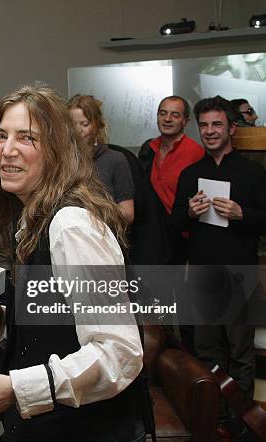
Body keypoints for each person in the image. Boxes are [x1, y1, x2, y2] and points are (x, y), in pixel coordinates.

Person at [0, 84, 143, 441]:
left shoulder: (71, 225)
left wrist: (18, 388)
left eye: (27, 138)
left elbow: (119, 354)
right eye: (1, 136)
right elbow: (58, 323)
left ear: (56, 151)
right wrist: (2, 319)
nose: (7, 150)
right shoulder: (34, 219)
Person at [172, 95, 266, 440]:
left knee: (241, 352)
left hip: (240, 273)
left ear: (232, 128)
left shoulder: (253, 173)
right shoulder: (191, 174)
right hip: (202, 276)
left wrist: (244, 215)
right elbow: (173, 223)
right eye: (205, 125)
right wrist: (190, 213)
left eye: (217, 124)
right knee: (205, 351)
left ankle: (242, 423)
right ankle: (216, 417)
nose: (210, 131)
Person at [137, 95, 204, 264]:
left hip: (181, 237)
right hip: (154, 235)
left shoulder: (195, 153)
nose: (167, 119)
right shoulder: (150, 149)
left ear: (185, 122)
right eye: (162, 113)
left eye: (175, 115)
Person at [68, 94, 135, 224]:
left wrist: (93, 206)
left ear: (97, 125)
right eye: (72, 125)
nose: (78, 130)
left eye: (84, 124)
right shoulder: (63, 160)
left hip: (103, 237)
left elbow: (128, 214)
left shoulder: (115, 160)